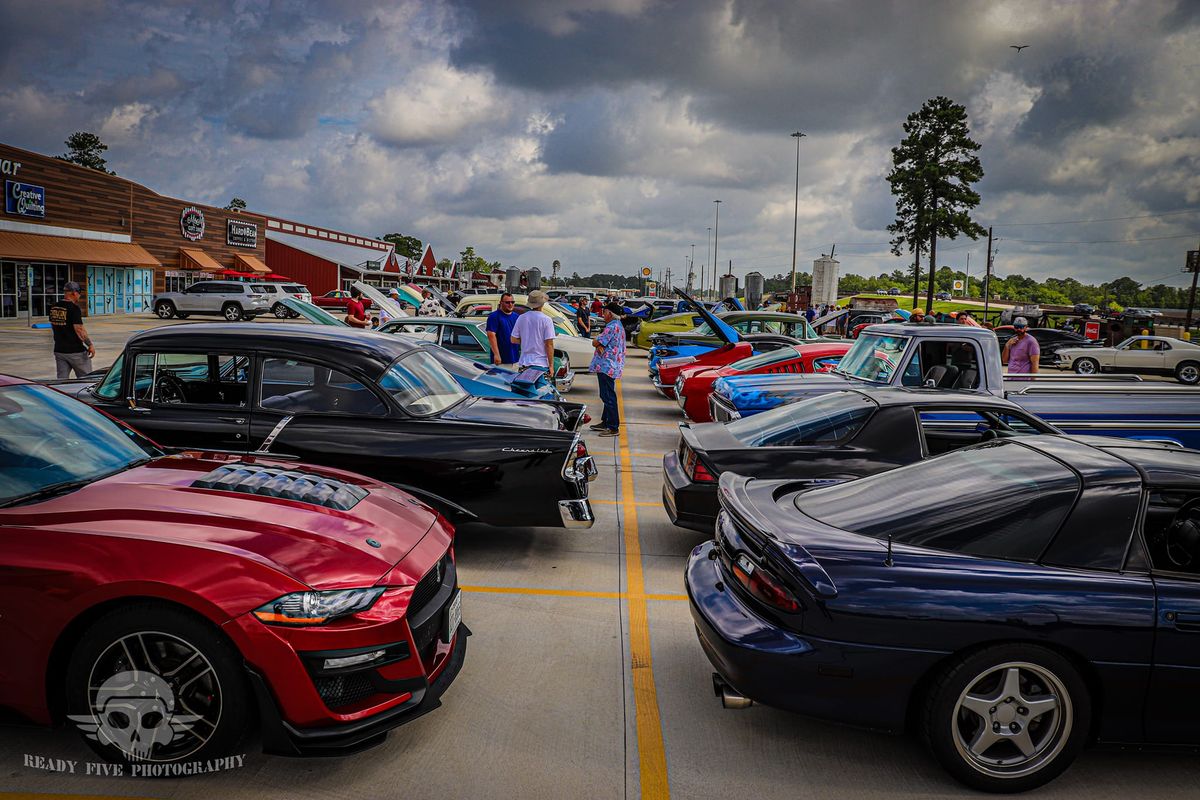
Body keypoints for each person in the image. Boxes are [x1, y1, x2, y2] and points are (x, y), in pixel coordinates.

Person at [589, 302, 627, 437]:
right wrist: (598, 344)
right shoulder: (618, 326)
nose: (602, 314)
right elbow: (600, 343)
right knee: (607, 394)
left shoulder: (611, 327)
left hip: (607, 365)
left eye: (604, 312)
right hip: (610, 365)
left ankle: (613, 426)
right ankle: (606, 422)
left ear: (610, 313)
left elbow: (596, 342)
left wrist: (597, 343)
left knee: (607, 396)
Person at [49, 281, 94, 378]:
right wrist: (89, 344)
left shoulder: (54, 307)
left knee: (62, 381)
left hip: (59, 350)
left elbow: (53, 325)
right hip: (75, 351)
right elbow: (79, 330)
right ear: (74, 293)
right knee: (86, 380)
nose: (80, 296)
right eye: (79, 293)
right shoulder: (74, 308)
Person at [511, 289, 556, 376]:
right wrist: (551, 365)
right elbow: (549, 344)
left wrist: (526, 339)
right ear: (542, 304)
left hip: (524, 362)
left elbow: (513, 339)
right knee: (540, 388)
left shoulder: (522, 318)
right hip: (540, 363)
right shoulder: (546, 320)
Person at [486, 293, 521, 367]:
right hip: (501, 361)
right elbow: (491, 335)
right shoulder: (494, 316)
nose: (510, 304)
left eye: (512, 302)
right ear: (501, 302)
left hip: (515, 360)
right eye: (507, 302)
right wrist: (496, 354)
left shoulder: (517, 317)